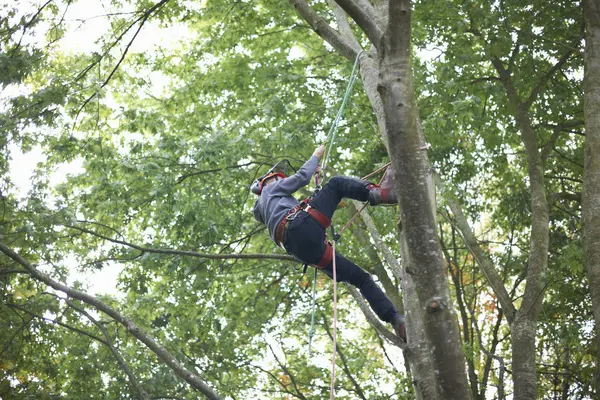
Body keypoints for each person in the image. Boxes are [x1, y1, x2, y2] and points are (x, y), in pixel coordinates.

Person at [252, 144, 406, 341]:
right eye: (277, 178)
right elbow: (301, 178)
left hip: (304, 251)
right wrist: (315, 156)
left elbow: (302, 212)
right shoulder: (269, 190)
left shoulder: (269, 212)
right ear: (267, 182)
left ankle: (395, 320)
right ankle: (379, 193)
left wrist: (313, 198)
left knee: (361, 279)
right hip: (302, 227)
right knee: (336, 184)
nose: (280, 180)